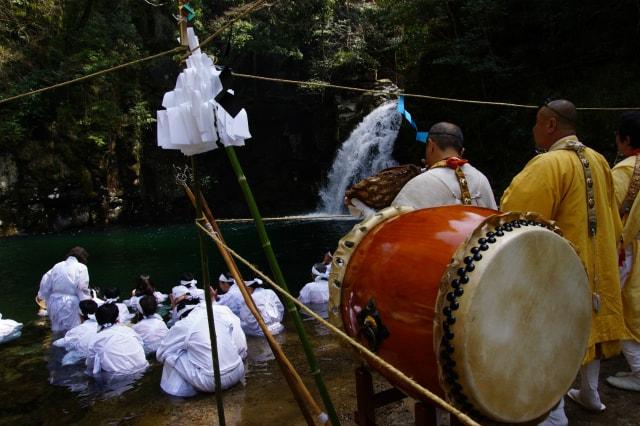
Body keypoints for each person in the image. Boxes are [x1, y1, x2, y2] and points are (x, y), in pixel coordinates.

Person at [501, 99, 627, 423]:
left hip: (561, 271)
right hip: (597, 267)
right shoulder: (599, 159)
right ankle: (591, 394)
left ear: (551, 125)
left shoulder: (547, 164)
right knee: (589, 323)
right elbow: (613, 215)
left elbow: (514, 216)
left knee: (550, 338)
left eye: (536, 123)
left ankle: (553, 414)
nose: (533, 130)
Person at [607, 111, 640, 391]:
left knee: (626, 305)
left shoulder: (625, 170)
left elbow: (609, 213)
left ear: (626, 139)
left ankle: (639, 371)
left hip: (631, 248)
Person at [392, 122, 497, 209]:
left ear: (431, 146)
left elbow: (393, 226)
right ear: (462, 152)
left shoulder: (421, 183)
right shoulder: (482, 180)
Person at [156, 297, 245, 397]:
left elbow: (160, 354)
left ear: (181, 316)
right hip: (239, 369)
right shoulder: (215, 316)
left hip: (214, 382)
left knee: (171, 354)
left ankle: (177, 391)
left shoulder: (184, 324)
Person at [85, 303, 148, 377]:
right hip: (142, 369)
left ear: (98, 320)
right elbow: (141, 344)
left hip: (118, 377)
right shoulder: (129, 330)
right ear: (117, 317)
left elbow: (90, 364)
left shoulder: (96, 338)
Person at [37, 247, 92, 332]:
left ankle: (54, 344)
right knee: (72, 331)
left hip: (53, 301)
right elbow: (82, 288)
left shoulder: (57, 265)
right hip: (70, 303)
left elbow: (45, 279)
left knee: (56, 330)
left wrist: (41, 295)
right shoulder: (82, 267)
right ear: (83, 258)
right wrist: (87, 303)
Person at [52, 299, 98, 365]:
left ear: (80, 314)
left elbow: (62, 342)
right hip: (99, 357)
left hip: (83, 356)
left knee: (66, 360)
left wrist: (54, 343)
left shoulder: (78, 330)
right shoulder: (104, 326)